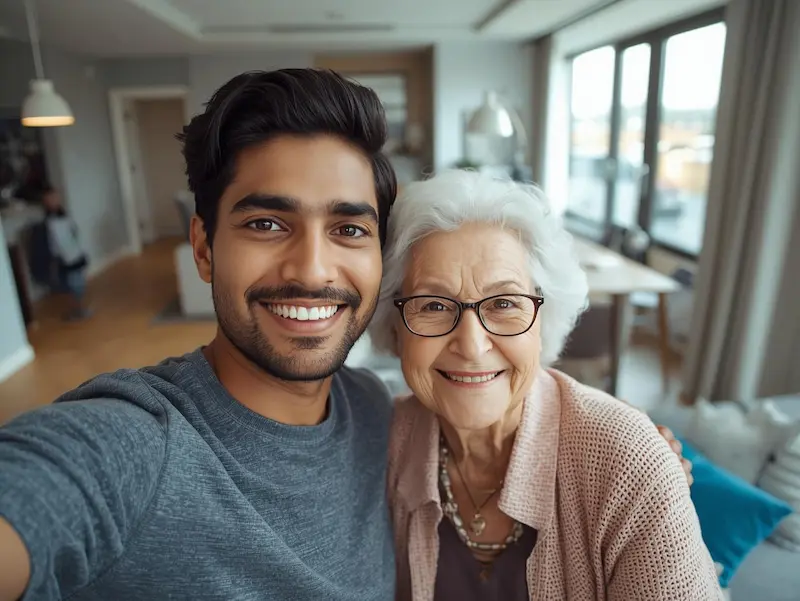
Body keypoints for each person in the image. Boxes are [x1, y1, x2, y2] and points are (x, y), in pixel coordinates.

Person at [0, 69, 690, 601]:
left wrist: (636, 458)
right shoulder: (135, 442)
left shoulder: (372, 412)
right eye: (267, 223)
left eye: (349, 228)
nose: (311, 268)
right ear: (204, 248)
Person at [374, 169, 721, 600]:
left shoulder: (626, 462)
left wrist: (646, 463)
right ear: (395, 329)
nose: (472, 345)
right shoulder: (383, 443)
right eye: (433, 305)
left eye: (504, 303)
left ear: (544, 320)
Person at [40, 186, 91, 320]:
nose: (55, 200)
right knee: (73, 283)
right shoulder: (50, 222)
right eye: (51, 199)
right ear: (46, 202)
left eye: (55, 197)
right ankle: (76, 310)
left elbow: (73, 231)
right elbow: (55, 242)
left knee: (79, 282)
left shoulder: (64, 215)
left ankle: (80, 307)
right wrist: (59, 257)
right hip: (65, 257)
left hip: (75, 252)